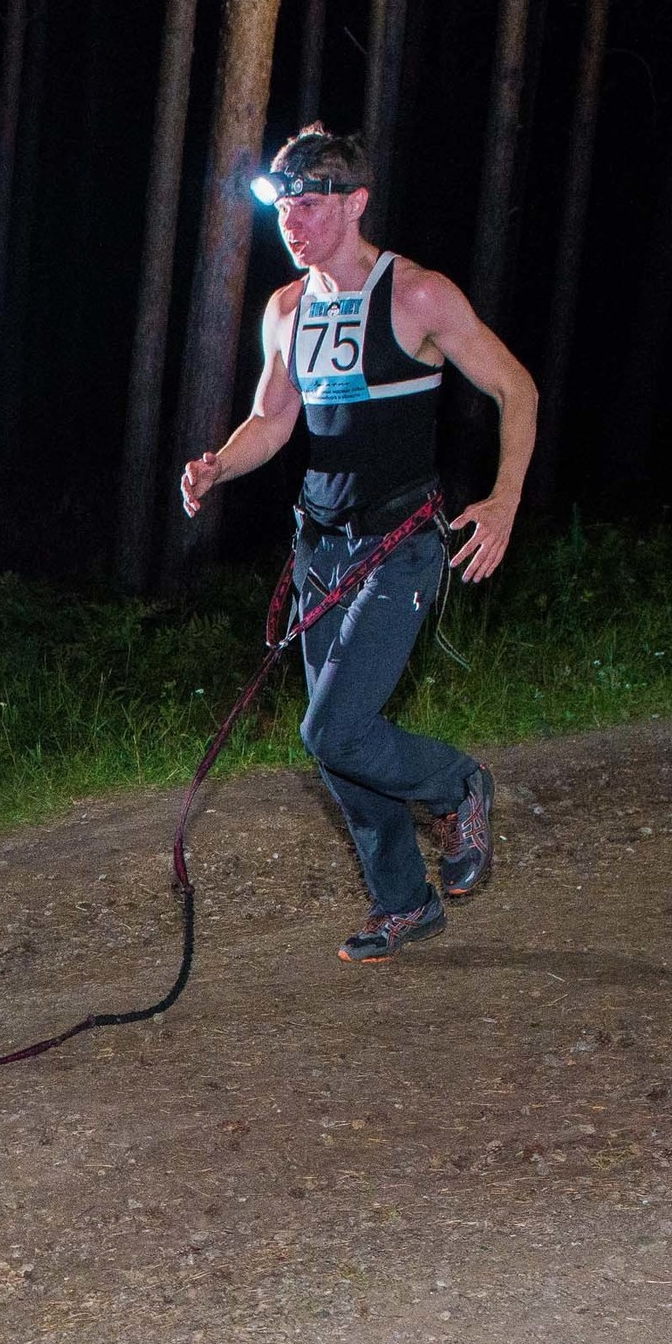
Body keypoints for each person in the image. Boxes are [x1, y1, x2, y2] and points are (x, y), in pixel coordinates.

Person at [178, 124, 537, 964]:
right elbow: (274, 420)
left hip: (402, 544)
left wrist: (506, 499)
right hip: (321, 548)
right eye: (283, 206)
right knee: (337, 737)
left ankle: (459, 785)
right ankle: (403, 903)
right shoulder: (288, 309)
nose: (292, 220)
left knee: (331, 730)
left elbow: (515, 387)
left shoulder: (417, 295)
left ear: (355, 202)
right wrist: (217, 466)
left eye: (308, 202)